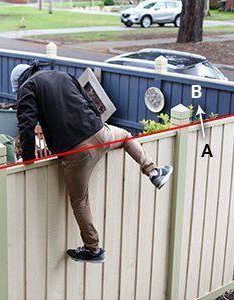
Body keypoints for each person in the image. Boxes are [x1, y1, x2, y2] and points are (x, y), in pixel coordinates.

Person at [11, 62, 173, 263]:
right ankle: (153, 172)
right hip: (100, 133)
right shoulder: (61, 74)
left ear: (19, 82)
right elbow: (89, 102)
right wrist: (96, 125)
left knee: (79, 201)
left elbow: (26, 124)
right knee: (124, 136)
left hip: (76, 151)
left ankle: (93, 249)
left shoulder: (28, 87)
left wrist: (28, 159)